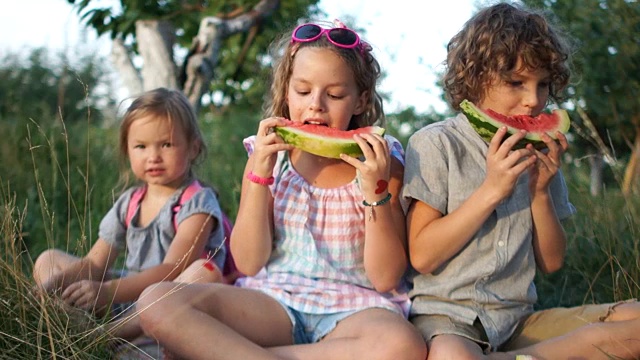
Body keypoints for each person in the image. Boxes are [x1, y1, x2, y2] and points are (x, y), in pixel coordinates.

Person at [136, 19, 427, 360]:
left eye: (334, 94)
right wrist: (259, 176)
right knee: (156, 302)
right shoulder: (268, 155)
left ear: (361, 100)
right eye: (302, 91)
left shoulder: (383, 160)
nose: (315, 104)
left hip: (357, 309)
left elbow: (385, 276)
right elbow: (248, 262)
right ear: (286, 91)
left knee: (404, 346)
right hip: (273, 302)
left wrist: (375, 192)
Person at [403, 3, 640, 360]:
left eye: (543, 85)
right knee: (452, 356)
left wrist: (540, 192)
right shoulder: (437, 143)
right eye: (515, 83)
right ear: (475, 78)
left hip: (517, 322)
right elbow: (422, 255)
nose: (533, 101)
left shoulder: (539, 152)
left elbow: (552, 262)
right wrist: (491, 191)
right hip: (448, 321)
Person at [33, 87, 228, 341]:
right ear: (127, 150)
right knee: (49, 259)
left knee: (203, 271)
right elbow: (95, 263)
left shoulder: (198, 203)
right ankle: (64, 316)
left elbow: (171, 270)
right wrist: (50, 289)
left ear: (193, 148)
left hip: (173, 302)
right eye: (141, 146)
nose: (153, 157)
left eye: (166, 144)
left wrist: (107, 291)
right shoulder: (131, 202)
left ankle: (105, 338)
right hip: (127, 297)